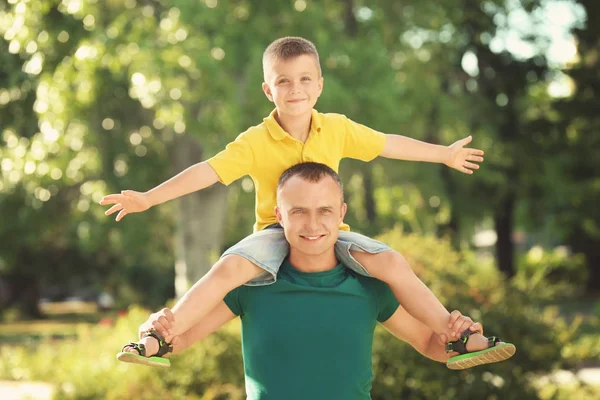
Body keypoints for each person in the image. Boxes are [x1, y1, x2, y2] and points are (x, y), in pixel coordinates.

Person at [103, 36, 508, 369]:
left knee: (391, 263)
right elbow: (207, 171)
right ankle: (159, 336)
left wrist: (444, 154)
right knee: (228, 266)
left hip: (331, 232)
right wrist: (149, 198)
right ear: (268, 89)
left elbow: (388, 144)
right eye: (283, 81)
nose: (295, 89)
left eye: (304, 79)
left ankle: (456, 336)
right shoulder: (254, 141)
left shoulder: (337, 128)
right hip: (274, 234)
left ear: (319, 84)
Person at [118, 164, 515, 400]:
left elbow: (430, 343)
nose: (312, 225)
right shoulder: (248, 287)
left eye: (325, 211)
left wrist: (458, 336)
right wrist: (158, 329)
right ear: (279, 214)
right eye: (299, 212)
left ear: (341, 212)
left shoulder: (370, 288)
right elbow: (182, 338)